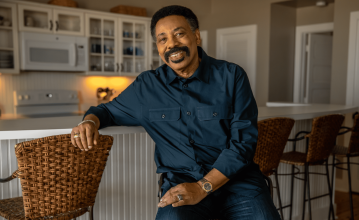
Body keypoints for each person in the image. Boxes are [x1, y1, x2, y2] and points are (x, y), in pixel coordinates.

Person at [71, 5, 281, 220]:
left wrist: (203, 187)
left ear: (196, 36)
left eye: (179, 34)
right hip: (182, 182)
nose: (171, 44)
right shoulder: (148, 85)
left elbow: (243, 143)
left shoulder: (231, 75)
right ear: (158, 47)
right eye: (162, 39)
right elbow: (105, 111)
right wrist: (90, 122)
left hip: (239, 182)